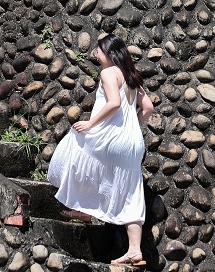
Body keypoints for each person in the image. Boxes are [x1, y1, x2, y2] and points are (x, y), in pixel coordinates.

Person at [47, 33, 155, 267]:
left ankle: (82, 207)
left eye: (98, 50)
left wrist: (90, 123)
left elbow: (114, 103)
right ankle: (135, 251)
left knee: (76, 145)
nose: (95, 54)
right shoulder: (131, 75)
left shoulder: (108, 73)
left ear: (107, 52)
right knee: (130, 190)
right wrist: (131, 126)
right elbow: (148, 107)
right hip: (133, 142)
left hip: (112, 138)